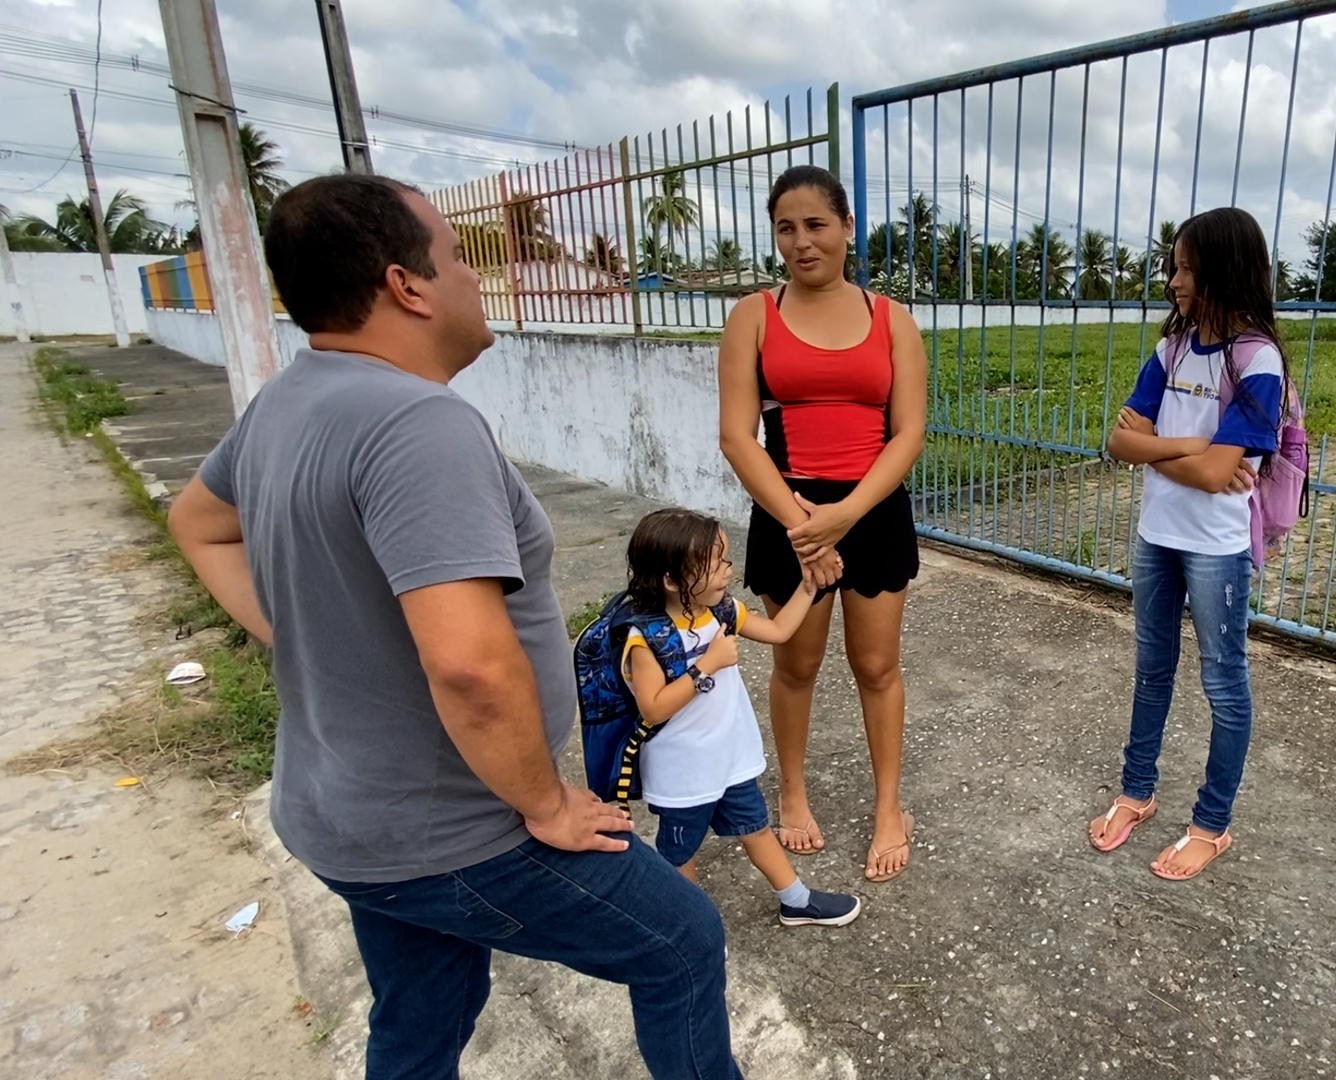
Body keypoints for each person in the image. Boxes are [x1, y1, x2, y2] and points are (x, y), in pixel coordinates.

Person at [167, 174, 741, 1079]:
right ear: (408, 285)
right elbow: (473, 668)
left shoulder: (288, 399)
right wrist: (546, 803)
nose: (476, 280)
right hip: (450, 828)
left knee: (425, 1012)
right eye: (458, 258)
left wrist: (310, 635)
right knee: (677, 940)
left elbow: (196, 523)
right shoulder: (416, 423)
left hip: (341, 817)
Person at [718, 165, 928, 883]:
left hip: (870, 510)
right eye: (786, 227)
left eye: (815, 224)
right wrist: (803, 524)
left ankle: (889, 806)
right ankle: (794, 792)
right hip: (789, 510)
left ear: (845, 228)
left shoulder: (892, 318)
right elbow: (737, 436)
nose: (801, 241)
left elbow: (908, 433)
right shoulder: (753, 315)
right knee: (795, 663)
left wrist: (844, 514)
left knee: (876, 666)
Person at [1088, 207, 1290, 882]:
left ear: (1222, 270)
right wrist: (1188, 445)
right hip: (1157, 537)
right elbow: (1120, 443)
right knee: (1151, 671)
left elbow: (1210, 476)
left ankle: (1212, 824)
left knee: (1224, 685)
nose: (1172, 279)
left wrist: (1156, 449)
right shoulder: (1171, 349)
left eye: (1184, 266)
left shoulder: (1257, 361)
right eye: (1173, 266)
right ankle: (1135, 793)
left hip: (1216, 550)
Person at [609, 507, 863, 927]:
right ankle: (693, 929)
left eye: (726, 559)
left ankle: (796, 901)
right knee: (680, 854)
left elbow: (779, 632)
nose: (728, 571)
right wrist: (705, 666)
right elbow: (652, 708)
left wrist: (807, 586)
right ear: (672, 580)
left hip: (729, 760)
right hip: (683, 774)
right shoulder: (647, 638)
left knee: (757, 828)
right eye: (715, 564)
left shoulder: (720, 612)